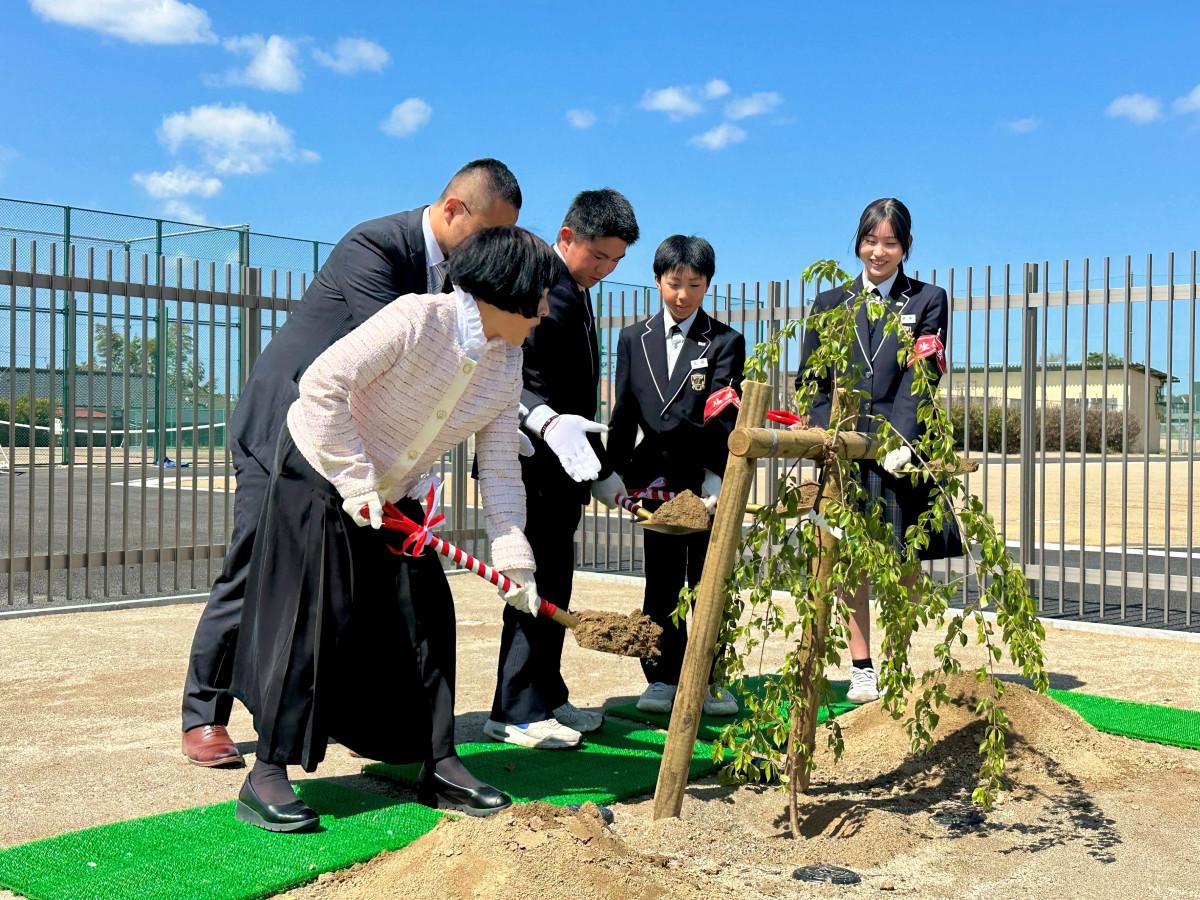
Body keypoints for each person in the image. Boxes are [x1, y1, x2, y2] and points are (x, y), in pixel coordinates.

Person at [180, 159, 522, 767]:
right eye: (486, 235)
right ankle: (205, 712)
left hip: (366, 446)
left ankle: (356, 719)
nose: (491, 253)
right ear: (452, 211)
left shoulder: (457, 284)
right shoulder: (377, 247)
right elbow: (396, 351)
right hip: (291, 429)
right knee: (258, 563)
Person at [228, 225, 557, 832]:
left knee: (426, 612)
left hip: (392, 493)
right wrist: (354, 483)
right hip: (320, 471)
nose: (544, 309)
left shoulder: (506, 361)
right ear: (504, 290)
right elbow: (321, 386)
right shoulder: (414, 318)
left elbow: (501, 465)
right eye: (539, 294)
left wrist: (516, 561)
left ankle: (438, 762)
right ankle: (267, 770)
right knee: (310, 616)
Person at [484, 189, 640, 750]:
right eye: (599, 255)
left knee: (557, 583)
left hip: (565, 468)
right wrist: (545, 423)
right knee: (532, 585)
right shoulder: (538, 279)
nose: (605, 269)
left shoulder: (573, 286)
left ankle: (547, 695)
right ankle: (516, 708)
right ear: (568, 235)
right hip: (528, 465)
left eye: (617, 261)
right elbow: (510, 369)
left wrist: (597, 469)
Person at [794, 197, 959, 705]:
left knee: (904, 557)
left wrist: (899, 438)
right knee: (847, 560)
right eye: (870, 240)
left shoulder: (927, 299)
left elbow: (921, 375)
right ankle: (862, 666)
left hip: (902, 451)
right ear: (857, 242)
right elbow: (812, 382)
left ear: (906, 246)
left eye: (890, 242)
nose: (878, 251)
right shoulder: (829, 303)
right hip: (843, 451)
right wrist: (830, 438)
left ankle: (900, 658)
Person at [605, 235, 746, 716]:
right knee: (661, 578)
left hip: (703, 476)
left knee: (707, 577)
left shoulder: (726, 341)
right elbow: (624, 412)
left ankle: (707, 676)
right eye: (673, 283)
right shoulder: (632, 338)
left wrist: (715, 475)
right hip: (654, 480)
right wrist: (613, 473)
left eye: (694, 284)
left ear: (707, 284)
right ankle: (662, 676)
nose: (683, 295)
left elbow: (723, 414)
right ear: (657, 281)